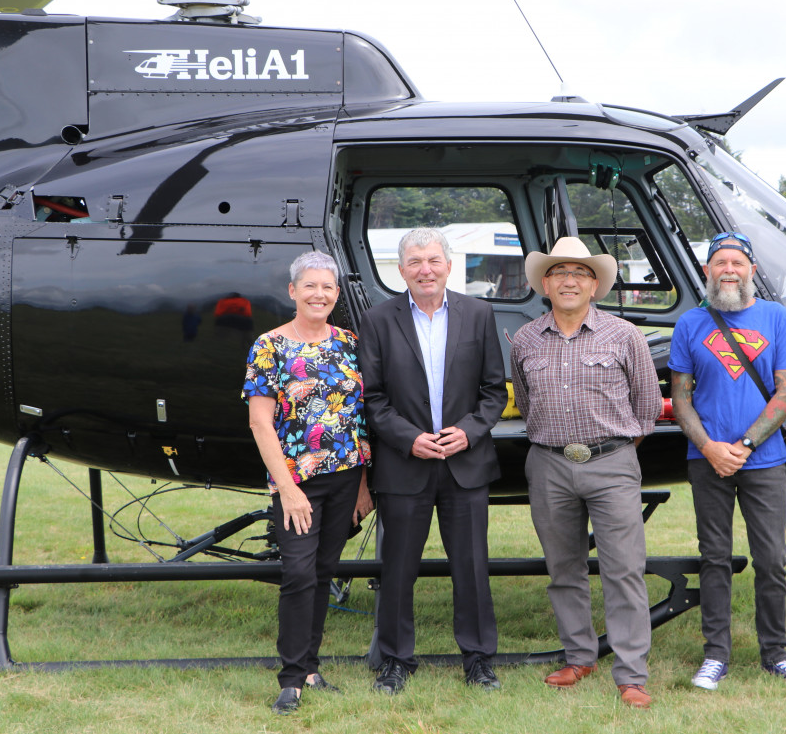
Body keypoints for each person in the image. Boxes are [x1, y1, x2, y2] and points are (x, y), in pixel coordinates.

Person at [509, 237, 662, 709]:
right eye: (559, 272)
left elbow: (648, 407)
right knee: (564, 568)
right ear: (545, 284)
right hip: (549, 463)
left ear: (595, 285)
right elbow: (526, 401)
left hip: (613, 462)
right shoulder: (525, 339)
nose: (569, 280)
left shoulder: (624, 335)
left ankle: (631, 673)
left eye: (580, 272)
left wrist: (613, 449)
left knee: (624, 570)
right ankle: (579, 655)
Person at [669, 231, 786, 691]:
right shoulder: (690, 324)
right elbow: (680, 399)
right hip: (707, 460)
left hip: (765, 460)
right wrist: (712, 448)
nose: (729, 270)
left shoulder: (776, 319)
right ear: (707, 272)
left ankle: (775, 654)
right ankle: (716, 655)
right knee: (714, 557)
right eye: (720, 263)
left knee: (771, 559)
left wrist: (746, 445)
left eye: (737, 262)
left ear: (752, 270)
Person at [359, 227, 507, 695]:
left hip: (465, 463)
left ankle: (479, 660)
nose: (425, 269)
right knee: (398, 569)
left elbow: (493, 391)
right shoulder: (378, 320)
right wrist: (409, 439)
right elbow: (373, 397)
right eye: (415, 261)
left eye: (434, 260)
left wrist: (467, 431)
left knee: (471, 565)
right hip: (406, 464)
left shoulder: (479, 313)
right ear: (401, 269)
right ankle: (396, 660)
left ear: (448, 265)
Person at [242, 250, 374, 715]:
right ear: (293, 291)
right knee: (298, 573)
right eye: (311, 286)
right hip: (296, 482)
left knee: (323, 572)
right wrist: (288, 489)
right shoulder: (269, 346)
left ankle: (311, 667)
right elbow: (261, 424)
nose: (320, 294)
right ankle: (291, 678)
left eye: (328, 287)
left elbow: (362, 416)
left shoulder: (349, 342)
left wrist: (364, 485)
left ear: (337, 294)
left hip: (346, 479)